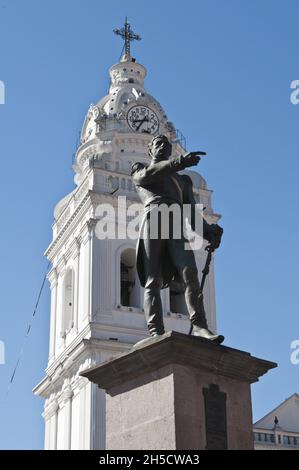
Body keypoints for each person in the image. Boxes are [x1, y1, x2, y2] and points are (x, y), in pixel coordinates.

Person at [131, 134, 224, 343]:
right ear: (150, 150)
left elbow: (191, 214)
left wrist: (209, 231)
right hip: (154, 218)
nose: (163, 146)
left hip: (175, 224)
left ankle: (200, 325)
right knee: (152, 279)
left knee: (190, 272)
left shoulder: (183, 181)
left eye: (167, 145)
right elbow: (145, 178)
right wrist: (179, 163)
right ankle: (156, 330)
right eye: (158, 144)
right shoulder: (140, 168)